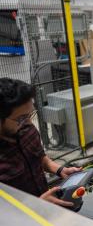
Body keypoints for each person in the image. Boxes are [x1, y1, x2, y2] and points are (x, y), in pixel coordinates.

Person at [0, 78, 81, 206]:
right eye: (21, 118)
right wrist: (38, 204)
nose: (28, 122)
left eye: (30, 115)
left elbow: (39, 157)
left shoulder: (26, 129)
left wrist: (59, 170)